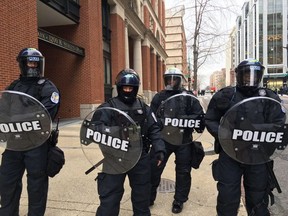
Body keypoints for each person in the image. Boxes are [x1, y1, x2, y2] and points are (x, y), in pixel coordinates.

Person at [205, 58, 285, 216]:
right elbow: (210, 119)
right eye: (247, 74)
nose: (251, 78)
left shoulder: (269, 98)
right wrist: (226, 136)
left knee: (258, 197)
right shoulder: (226, 95)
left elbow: (278, 124)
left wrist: (255, 132)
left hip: (258, 155)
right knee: (227, 196)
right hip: (230, 153)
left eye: (255, 74)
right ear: (239, 76)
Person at [94, 68, 166, 216]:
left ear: (136, 88)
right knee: (109, 198)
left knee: (142, 197)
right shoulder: (108, 107)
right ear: (119, 88)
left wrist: (159, 148)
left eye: (131, 88)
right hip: (114, 157)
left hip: (139, 156)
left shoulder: (144, 107)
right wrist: (118, 133)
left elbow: (154, 129)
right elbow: (96, 129)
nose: (128, 90)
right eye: (125, 87)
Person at [0, 48, 60, 215]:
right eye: (29, 62)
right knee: (7, 183)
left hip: (37, 144)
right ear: (22, 64)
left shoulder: (47, 87)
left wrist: (16, 118)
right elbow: (3, 111)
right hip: (14, 145)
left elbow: (47, 113)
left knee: (37, 187)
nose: (32, 66)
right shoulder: (13, 87)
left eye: (35, 63)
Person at [149, 68, 205, 213]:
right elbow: (151, 118)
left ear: (180, 80)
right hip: (163, 140)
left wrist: (182, 120)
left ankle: (179, 200)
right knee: (154, 168)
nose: (171, 82)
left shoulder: (189, 97)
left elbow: (199, 117)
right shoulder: (159, 97)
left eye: (175, 79)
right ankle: (149, 196)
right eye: (169, 79)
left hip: (184, 140)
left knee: (183, 171)